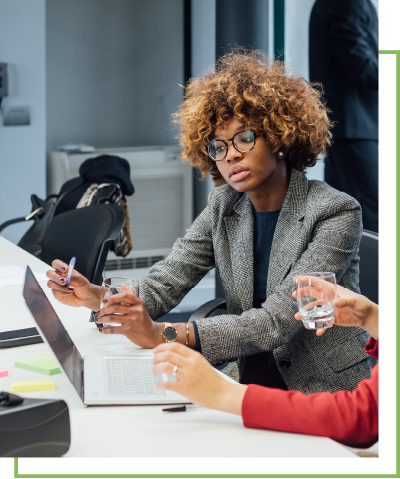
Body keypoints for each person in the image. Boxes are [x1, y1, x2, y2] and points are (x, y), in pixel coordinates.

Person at [47, 50, 375, 394]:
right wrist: (97, 296)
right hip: (248, 378)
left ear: (278, 137)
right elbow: (167, 279)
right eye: (218, 146)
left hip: (325, 389)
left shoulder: (336, 211)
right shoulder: (225, 204)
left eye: (245, 138)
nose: (231, 154)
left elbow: (276, 323)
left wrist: (163, 334)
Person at [152, 281, 378, 449]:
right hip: (258, 377)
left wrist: (223, 393)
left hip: (324, 394)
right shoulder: (222, 215)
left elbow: (362, 416)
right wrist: (374, 319)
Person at [309, 0, 378, 232]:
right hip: (353, 128)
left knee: (344, 220)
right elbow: (361, 65)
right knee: (371, 217)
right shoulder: (348, 2)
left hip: (347, 128)